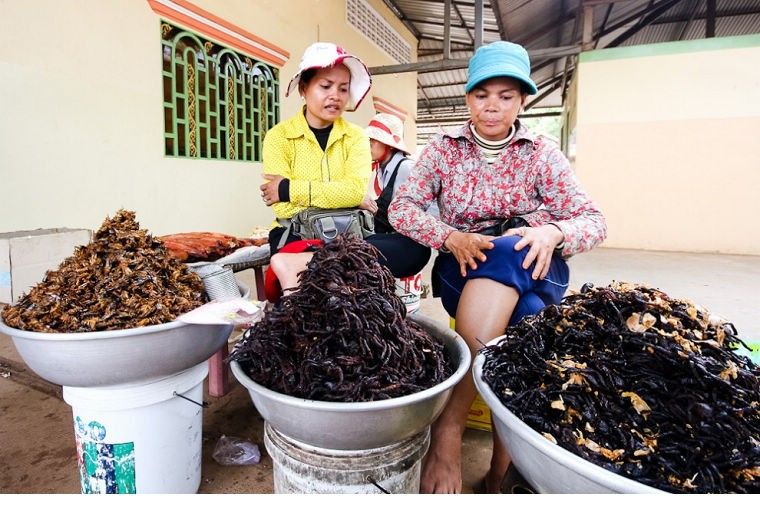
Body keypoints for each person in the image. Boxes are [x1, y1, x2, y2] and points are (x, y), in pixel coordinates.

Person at [387, 41, 607, 493]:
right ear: (467, 97)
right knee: (526, 316)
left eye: (506, 96)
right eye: (482, 94)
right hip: (462, 267)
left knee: (512, 249)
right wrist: (449, 236)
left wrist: (553, 233)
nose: (493, 106)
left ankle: (452, 430)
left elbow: (595, 221)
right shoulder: (443, 150)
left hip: (537, 262)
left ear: (523, 100)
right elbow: (401, 209)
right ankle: (502, 467)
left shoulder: (542, 154)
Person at [259, 42, 428, 298]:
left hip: (351, 233)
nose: (335, 95)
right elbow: (283, 207)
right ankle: (329, 263)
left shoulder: (357, 137)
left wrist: (289, 188)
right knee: (312, 289)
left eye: (343, 88)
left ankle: (316, 264)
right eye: (325, 86)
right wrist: (344, 196)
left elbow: (354, 190)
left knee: (416, 249)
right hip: (297, 232)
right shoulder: (278, 137)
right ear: (304, 88)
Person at [360, 113, 433, 312]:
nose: (369, 146)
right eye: (369, 141)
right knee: (353, 248)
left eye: (374, 141)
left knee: (359, 254)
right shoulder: (383, 170)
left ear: (389, 145)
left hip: (411, 243)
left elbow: (428, 211)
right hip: (393, 239)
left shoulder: (406, 168)